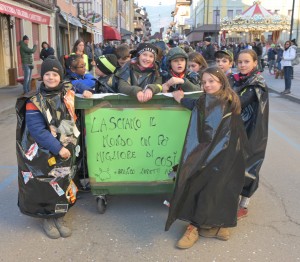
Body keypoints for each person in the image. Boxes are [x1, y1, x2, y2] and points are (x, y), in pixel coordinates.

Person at [165, 67, 246, 249]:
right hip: (209, 153)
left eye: (212, 81)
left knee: (217, 186)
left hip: (223, 154)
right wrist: (181, 99)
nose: (207, 85)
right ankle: (198, 225)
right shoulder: (205, 100)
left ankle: (216, 223)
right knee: (200, 183)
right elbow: (196, 106)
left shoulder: (230, 100)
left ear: (221, 82)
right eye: (204, 82)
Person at [16, 56, 80, 239]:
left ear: (61, 76)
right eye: (47, 74)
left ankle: (59, 215)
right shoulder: (34, 101)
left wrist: (89, 92)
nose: (51, 78)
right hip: (42, 152)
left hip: (65, 147)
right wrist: (58, 148)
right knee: (43, 183)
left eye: (55, 74)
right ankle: (46, 218)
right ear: (41, 76)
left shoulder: (67, 92)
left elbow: (81, 85)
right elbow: (37, 130)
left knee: (61, 180)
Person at [232, 49, 269, 219]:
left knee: (250, 164)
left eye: (247, 62)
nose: (242, 65)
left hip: (252, 131)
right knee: (235, 162)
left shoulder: (256, 84)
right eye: (240, 62)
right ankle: (233, 196)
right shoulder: (238, 79)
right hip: (238, 127)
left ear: (255, 63)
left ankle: (245, 202)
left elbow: (238, 102)